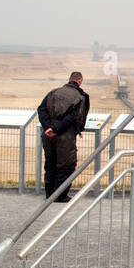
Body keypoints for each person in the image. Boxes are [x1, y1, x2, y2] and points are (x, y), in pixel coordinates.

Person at [37, 71, 90, 202]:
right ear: (79, 81)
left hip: (47, 134)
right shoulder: (80, 96)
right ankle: (60, 195)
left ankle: (49, 193)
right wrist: (57, 129)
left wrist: (48, 127)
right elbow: (75, 117)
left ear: (69, 79)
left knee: (50, 163)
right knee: (66, 165)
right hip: (65, 135)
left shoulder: (53, 92)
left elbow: (41, 109)